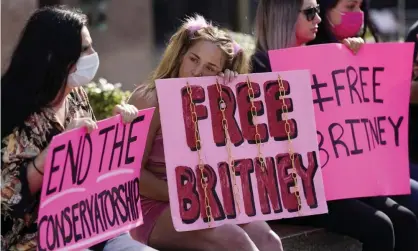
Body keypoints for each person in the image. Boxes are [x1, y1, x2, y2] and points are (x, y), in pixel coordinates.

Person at [250, 0, 418, 251]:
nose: (317, 19)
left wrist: (353, 58)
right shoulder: (260, 66)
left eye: (317, 11)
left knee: (406, 219)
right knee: (380, 227)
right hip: (297, 189)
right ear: (283, 17)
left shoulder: (324, 55)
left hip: (334, 179)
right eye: (309, 13)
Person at [1, 6, 155, 251]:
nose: (93, 54)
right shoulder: (10, 110)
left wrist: (117, 130)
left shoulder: (76, 97)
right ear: (53, 56)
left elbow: (90, 168)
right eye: (84, 48)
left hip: (87, 226)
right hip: (35, 239)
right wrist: (54, 153)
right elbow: (9, 200)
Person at [128, 14, 283, 251]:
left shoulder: (217, 99)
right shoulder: (149, 98)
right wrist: (188, 195)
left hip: (209, 199)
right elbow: (132, 175)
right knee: (236, 241)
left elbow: (239, 162)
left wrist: (230, 97)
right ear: (180, 56)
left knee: (269, 240)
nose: (197, 72)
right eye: (193, 59)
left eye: (210, 68)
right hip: (155, 205)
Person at [310, 0, 418, 217]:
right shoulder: (309, 56)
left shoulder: (357, 48)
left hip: (376, 169)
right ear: (325, 11)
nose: (358, 14)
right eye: (350, 7)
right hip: (342, 178)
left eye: (360, 7)